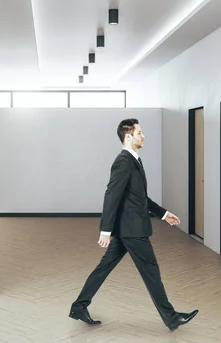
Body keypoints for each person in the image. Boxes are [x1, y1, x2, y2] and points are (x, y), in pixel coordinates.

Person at [68, 118, 198, 332]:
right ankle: (172, 318)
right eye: (139, 132)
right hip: (132, 230)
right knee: (151, 271)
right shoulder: (124, 161)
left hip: (127, 228)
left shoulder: (134, 160)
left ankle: (78, 307)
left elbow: (139, 198)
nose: (143, 136)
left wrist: (163, 214)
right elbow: (111, 195)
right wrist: (105, 230)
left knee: (104, 267)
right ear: (128, 136)